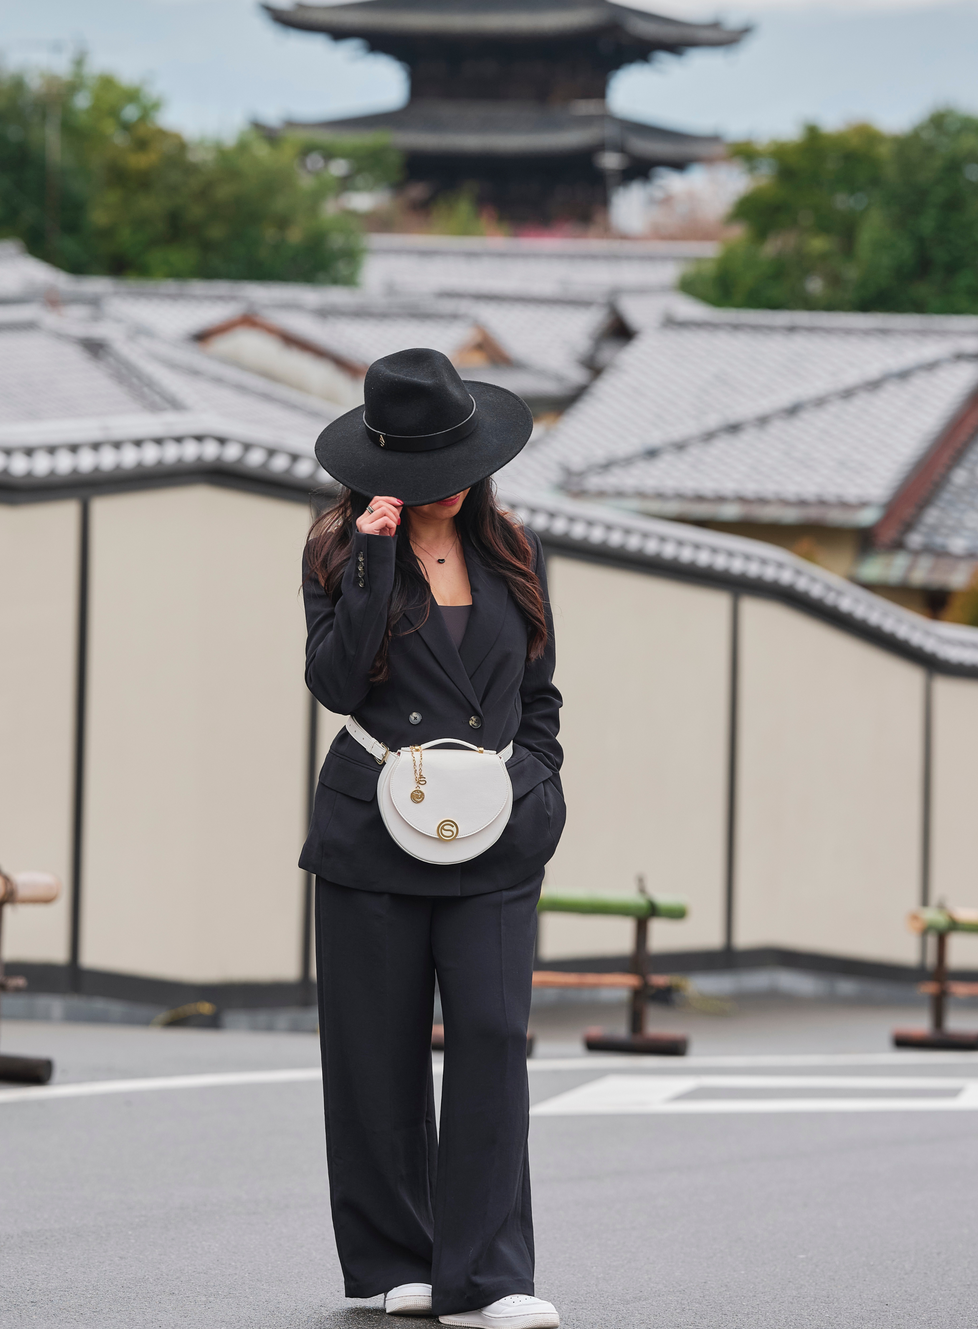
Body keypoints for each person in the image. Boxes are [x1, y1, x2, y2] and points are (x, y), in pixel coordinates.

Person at [302, 348, 566, 1329]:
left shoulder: (514, 548)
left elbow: (538, 694)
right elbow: (336, 684)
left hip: (495, 830)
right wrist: (375, 559)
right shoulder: (336, 551)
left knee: (492, 1036)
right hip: (374, 826)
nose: (448, 484)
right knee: (375, 1050)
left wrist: (538, 786)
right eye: (422, 469)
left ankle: (486, 1277)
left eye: (459, 461)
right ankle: (392, 1260)